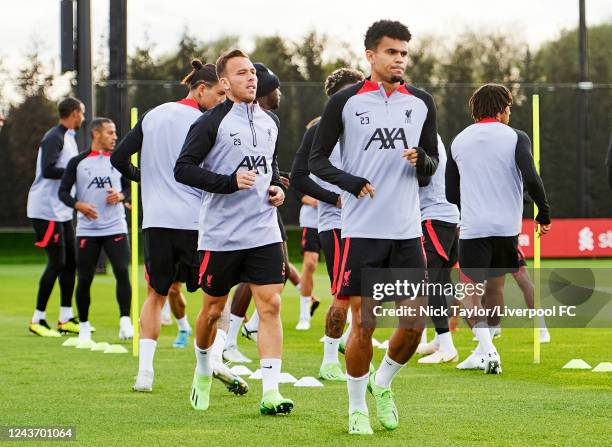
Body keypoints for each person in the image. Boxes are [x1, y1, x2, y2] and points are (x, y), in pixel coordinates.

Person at [310, 20, 438, 435]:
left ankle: (382, 385)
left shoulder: (421, 102)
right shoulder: (344, 103)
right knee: (364, 324)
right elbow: (317, 162)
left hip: (406, 230)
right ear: (370, 56)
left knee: (415, 325)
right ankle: (355, 408)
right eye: (391, 52)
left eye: (403, 52)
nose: (399, 59)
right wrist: (351, 184)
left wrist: (423, 161)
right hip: (362, 231)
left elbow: (432, 163)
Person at [112, 59, 246, 396]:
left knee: (155, 295)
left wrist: (145, 178)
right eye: (218, 93)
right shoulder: (208, 121)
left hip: (155, 222)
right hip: (197, 223)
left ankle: (145, 374)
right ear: (202, 89)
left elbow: (118, 159)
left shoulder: (153, 115)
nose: (220, 100)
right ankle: (213, 361)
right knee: (218, 296)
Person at [174, 49, 293, 415]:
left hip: (263, 230)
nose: (251, 78)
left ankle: (270, 392)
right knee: (212, 311)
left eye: (252, 72)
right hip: (221, 235)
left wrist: (277, 189)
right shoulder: (210, 122)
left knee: (271, 305)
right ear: (224, 83)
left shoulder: (269, 123)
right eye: (241, 73)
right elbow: (183, 169)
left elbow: (270, 167)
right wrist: (227, 182)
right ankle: (204, 370)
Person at [445, 83, 551, 373]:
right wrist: (544, 212)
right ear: (502, 108)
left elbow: (451, 194)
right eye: (509, 107)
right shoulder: (516, 137)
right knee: (499, 286)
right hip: (507, 228)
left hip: (473, 227)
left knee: (471, 292)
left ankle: (488, 350)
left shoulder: (459, 140)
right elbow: (531, 177)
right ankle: (485, 350)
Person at [222, 63, 305, 363]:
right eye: (275, 88)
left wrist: (275, 180)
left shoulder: (271, 121)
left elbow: (266, 161)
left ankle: (244, 331)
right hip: (237, 212)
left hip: (265, 208)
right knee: (252, 274)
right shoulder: (233, 119)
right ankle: (228, 340)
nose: (279, 93)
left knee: (275, 271)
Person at [291, 67, 365, 381]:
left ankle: (355, 350)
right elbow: (298, 176)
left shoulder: (367, 126)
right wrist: (333, 197)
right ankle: (328, 358)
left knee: (366, 294)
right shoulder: (319, 129)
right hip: (336, 224)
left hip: (368, 223)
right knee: (344, 293)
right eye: (351, 90)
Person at [58, 118, 133, 344]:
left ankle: (125, 322)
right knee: (85, 278)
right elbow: (63, 193)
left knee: (122, 271)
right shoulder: (77, 162)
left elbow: (131, 188)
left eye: (115, 132)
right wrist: (79, 205)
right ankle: (83, 326)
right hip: (88, 230)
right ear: (96, 134)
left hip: (115, 226)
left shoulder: (119, 160)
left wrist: (120, 196)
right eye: (110, 133)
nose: (115, 137)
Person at [27, 97, 85, 337]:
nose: (83, 117)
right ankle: (38, 319)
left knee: (71, 262)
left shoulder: (69, 137)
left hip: (61, 210)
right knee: (57, 262)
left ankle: (65, 317)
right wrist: (76, 170)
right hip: (45, 209)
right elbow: (49, 169)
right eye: (81, 113)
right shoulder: (54, 136)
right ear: (73, 113)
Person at [415, 134, 460, 364]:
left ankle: (448, 345)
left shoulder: (421, 135)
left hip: (435, 216)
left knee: (429, 282)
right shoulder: (432, 135)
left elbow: (423, 178)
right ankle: (440, 340)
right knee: (440, 282)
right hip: (447, 216)